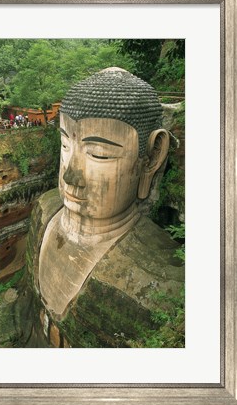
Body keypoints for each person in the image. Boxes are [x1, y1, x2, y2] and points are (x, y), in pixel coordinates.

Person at [21, 67, 184, 348]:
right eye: (64, 144)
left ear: (152, 157)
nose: (70, 175)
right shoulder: (45, 210)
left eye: (99, 154)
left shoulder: (160, 282)